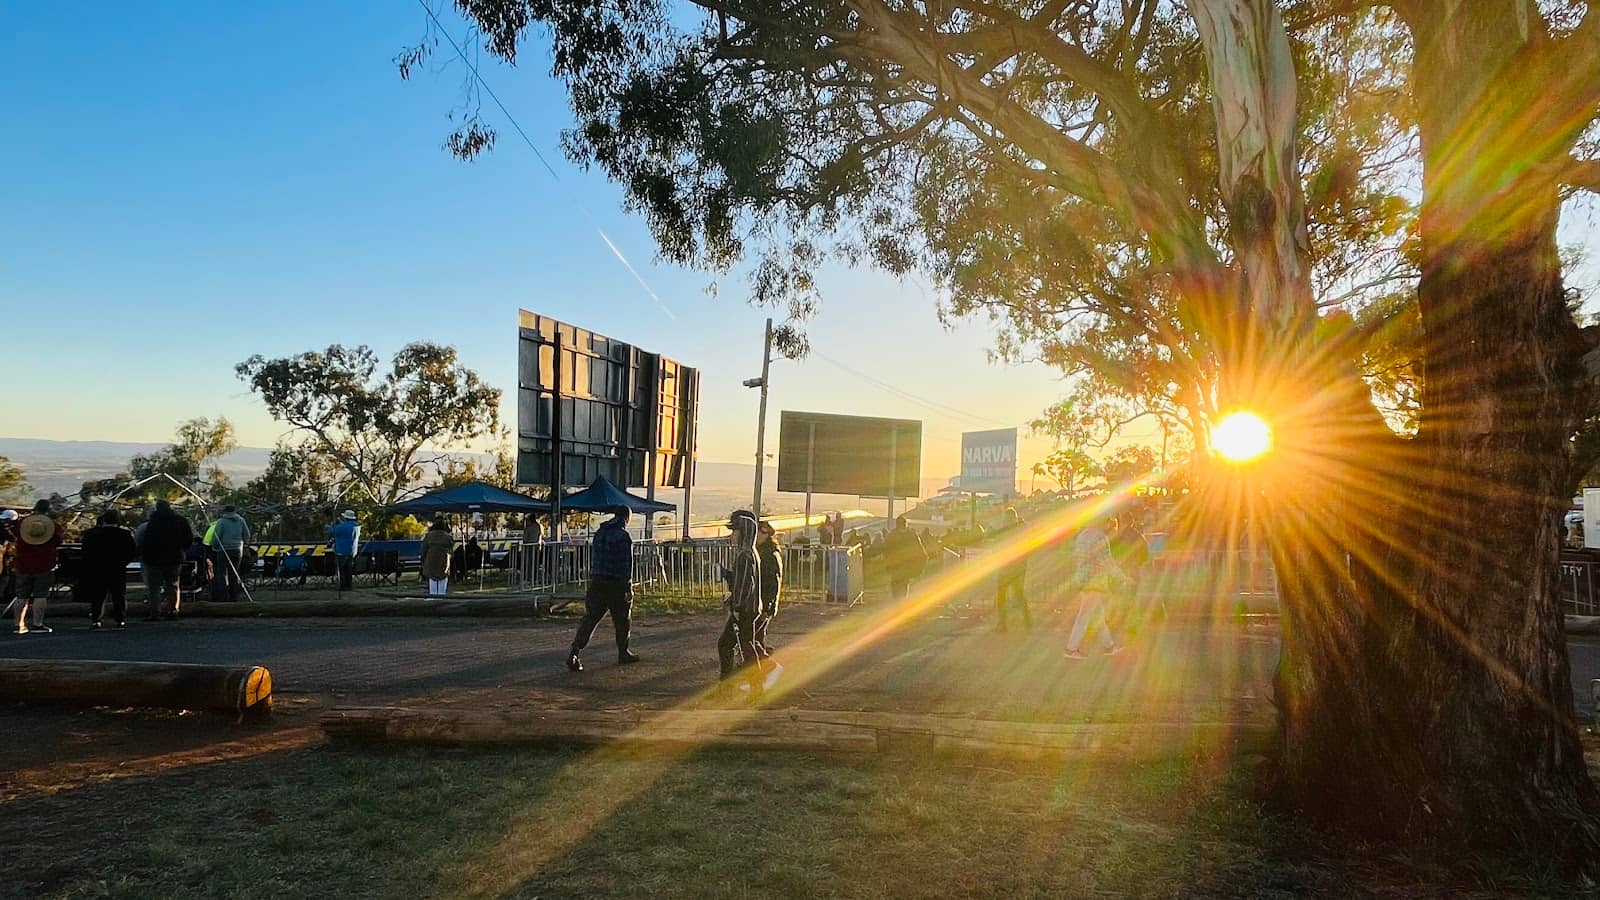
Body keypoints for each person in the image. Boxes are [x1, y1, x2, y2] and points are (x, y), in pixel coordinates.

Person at [567, 507, 639, 671]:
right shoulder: (623, 536)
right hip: (616, 584)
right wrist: (628, 586)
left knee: (590, 619)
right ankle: (623, 652)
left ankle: (574, 652)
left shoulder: (600, 533)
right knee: (622, 620)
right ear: (626, 518)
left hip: (597, 582)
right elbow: (626, 564)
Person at [1065, 513, 1132, 660]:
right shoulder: (1100, 537)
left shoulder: (1081, 536)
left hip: (1082, 578)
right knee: (1085, 615)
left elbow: (1077, 557)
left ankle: (1109, 646)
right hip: (1095, 580)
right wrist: (1122, 577)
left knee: (1097, 616)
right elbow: (1106, 561)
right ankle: (1072, 648)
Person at [718, 510, 764, 681]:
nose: (732, 535)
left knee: (727, 645)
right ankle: (755, 684)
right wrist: (728, 575)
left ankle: (729, 682)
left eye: (734, 531)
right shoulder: (750, 552)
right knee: (746, 645)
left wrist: (735, 606)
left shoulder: (744, 555)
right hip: (750, 608)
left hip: (744, 610)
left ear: (743, 533)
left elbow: (745, 585)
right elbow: (743, 580)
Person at [8, 500, 63, 634]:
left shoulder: (21, 525)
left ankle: (18, 624)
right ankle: (37, 624)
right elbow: (58, 541)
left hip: (23, 564)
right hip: (45, 565)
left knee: (21, 596)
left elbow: (13, 534)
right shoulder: (53, 527)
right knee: (40, 595)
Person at [81, 509, 137, 628]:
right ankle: (120, 619)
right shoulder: (124, 534)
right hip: (117, 568)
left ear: (103, 520)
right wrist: (123, 562)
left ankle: (96, 619)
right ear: (117, 521)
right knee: (119, 595)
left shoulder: (91, 534)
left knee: (98, 595)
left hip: (98, 568)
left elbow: (85, 553)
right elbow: (132, 552)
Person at [141, 500, 194, 621]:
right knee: (173, 585)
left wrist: (145, 555)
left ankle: (155, 612)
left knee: (154, 587)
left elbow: (147, 541)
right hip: (174, 558)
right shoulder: (180, 521)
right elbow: (189, 538)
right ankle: (173, 610)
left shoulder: (152, 522)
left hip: (154, 559)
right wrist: (182, 549)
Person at [994, 507, 1032, 631]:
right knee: (1015, 595)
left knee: (1010, 595)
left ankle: (1006, 623)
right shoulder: (1020, 530)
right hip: (1013, 568)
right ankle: (1024, 621)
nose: (1006, 521)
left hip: (1013, 568)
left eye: (1007, 518)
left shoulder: (1015, 531)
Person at [207, 505, 251, 602]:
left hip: (223, 549)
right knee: (234, 572)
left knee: (222, 573)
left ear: (224, 512)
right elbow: (247, 535)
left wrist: (214, 546)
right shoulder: (241, 520)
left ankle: (223, 596)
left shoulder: (221, 522)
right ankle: (234, 596)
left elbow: (216, 536)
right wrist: (244, 544)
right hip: (237, 550)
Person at [754, 519, 783, 657]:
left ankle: (760, 664)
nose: (757, 535)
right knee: (757, 636)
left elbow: (773, 582)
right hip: (761, 602)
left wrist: (767, 605)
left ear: (766, 534)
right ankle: (761, 656)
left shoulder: (769, 555)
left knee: (753, 637)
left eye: (760, 532)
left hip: (764, 602)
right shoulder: (764, 551)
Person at [881, 515, 927, 601]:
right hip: (906, 564)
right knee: (904, 583)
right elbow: (920, 550)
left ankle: (897, 602)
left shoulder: (891, 535)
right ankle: (901, 602)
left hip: (895, 565)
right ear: (905, 524)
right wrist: (920, 565)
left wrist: (887, 562)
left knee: (896, 584)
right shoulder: (911, 535)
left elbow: (885, 550)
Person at [328, 510, 361, 591]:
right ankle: (349, 586)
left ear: (345, 518)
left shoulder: (342, 526)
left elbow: (332, 531)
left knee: (341, 570)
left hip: (341, 551)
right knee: (348, 570)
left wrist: (333, 525)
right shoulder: (357, 526)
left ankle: (342, 586)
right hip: (352, 551)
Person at [420, 518, 453, 596]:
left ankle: (433, 601)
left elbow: (424, 550)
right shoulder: (448, 537)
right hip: (444, 561)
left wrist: (424, 560)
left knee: (432, 585)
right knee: (442, 586)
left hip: (431, 560)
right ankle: (442, 601)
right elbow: (451, 550)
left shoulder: (429, 536)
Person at [0, 509, 18, 611]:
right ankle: (3, 595)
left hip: (4, 555)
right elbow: (13, 539)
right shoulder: (5, 529)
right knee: (5, 576)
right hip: (3, 555)